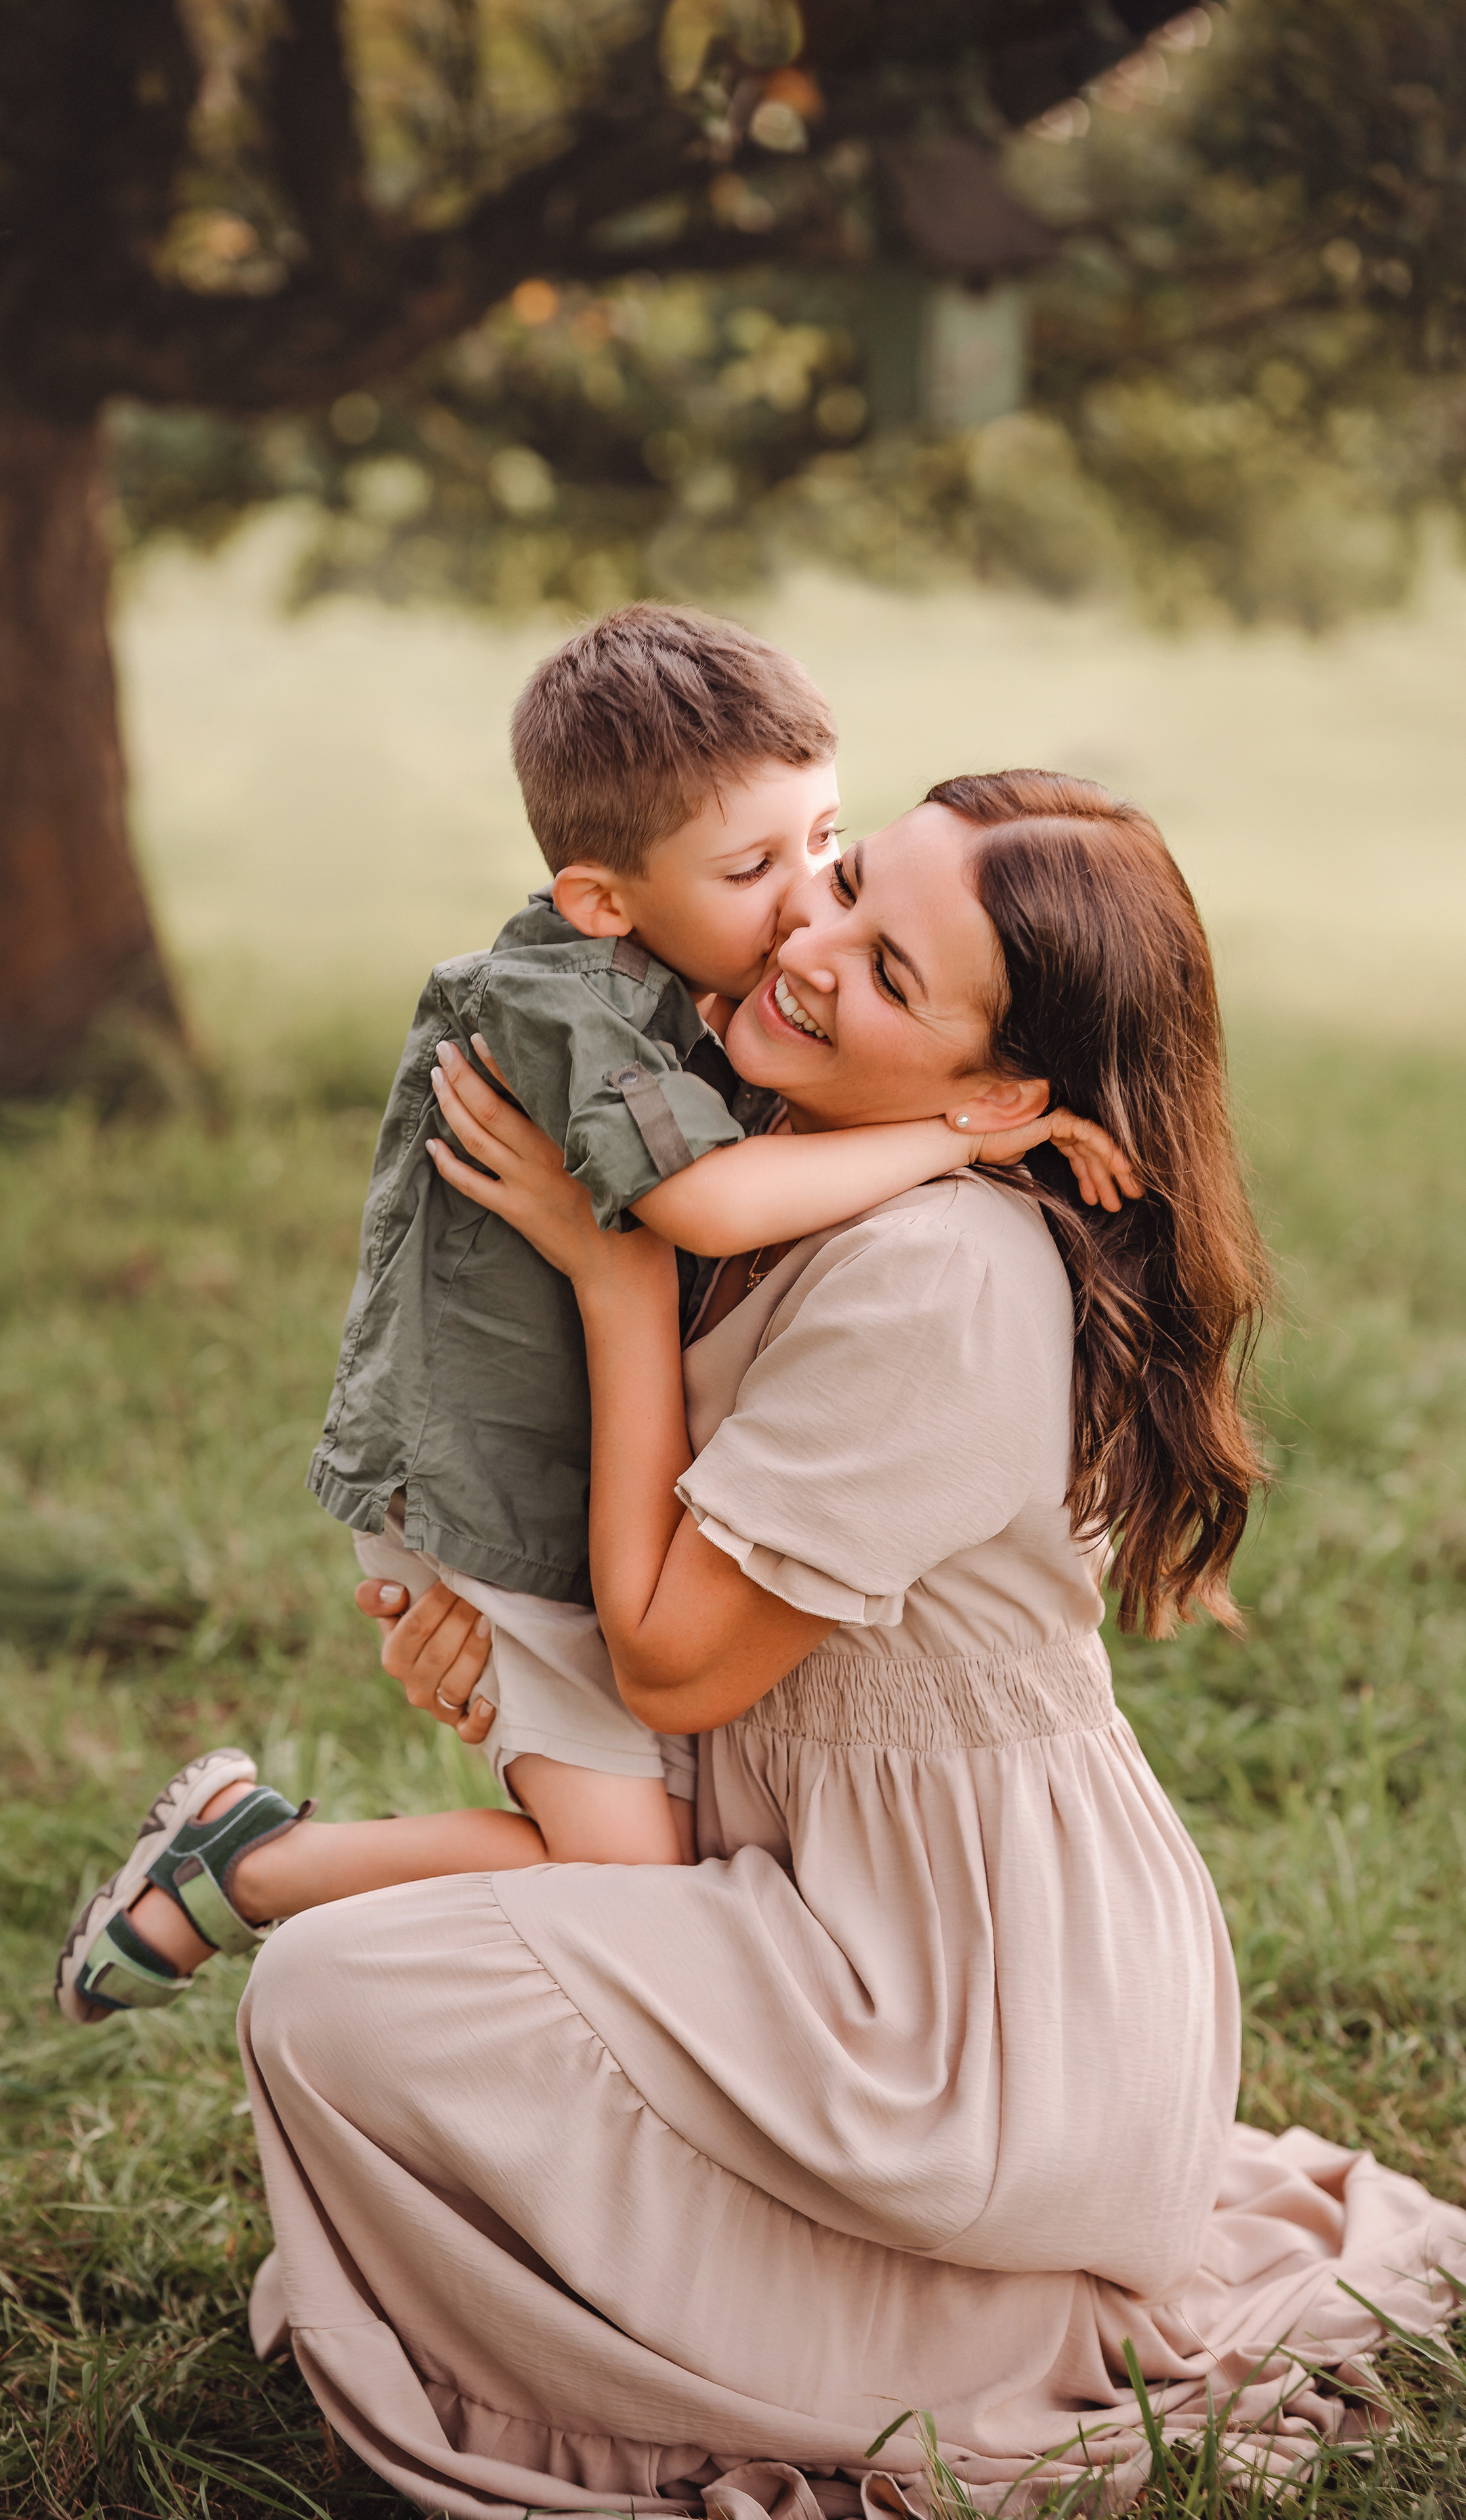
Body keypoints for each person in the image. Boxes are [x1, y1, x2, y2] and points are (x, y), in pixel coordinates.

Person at [227, 772, 1466, 2513]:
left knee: (338, 1999)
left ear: (1002, 1093)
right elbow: (642, 1600)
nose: (809, 946)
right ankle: (832, 2297)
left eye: (890, 973)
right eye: (848, 886)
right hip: (792, 1886)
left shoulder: (940, 1278)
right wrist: (496, 1665)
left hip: (956, 1998)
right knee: (364, 2011)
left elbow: (667, 1662)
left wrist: (606, 1278)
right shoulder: (768, 1152)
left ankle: (956, 2333)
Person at [56, 623, 1129, 2027]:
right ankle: (255, 1868)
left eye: (824, 843)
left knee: (638, 1868)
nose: (802, 912)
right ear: (600, 899)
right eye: (773, 874)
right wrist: (950, 1130)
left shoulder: (768, 1074)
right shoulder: (570, 1011)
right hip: (497, 1479)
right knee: (629, 1877)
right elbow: (703, 1208)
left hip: (573, 1502)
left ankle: (250, 1863)